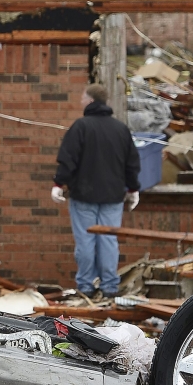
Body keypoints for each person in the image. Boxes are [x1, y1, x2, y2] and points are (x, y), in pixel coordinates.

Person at [52, 83, 141, 298]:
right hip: (112, 197)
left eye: (83, 97)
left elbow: (68, 159)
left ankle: (86, 287)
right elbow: (131, 163)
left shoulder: (80, 127)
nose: (81, 101)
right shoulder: (120, 129)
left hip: (84, 196)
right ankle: (110, 287)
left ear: (91, 101)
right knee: (109, 241)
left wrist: (58, 184)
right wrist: (133, 189)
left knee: (85, 241)